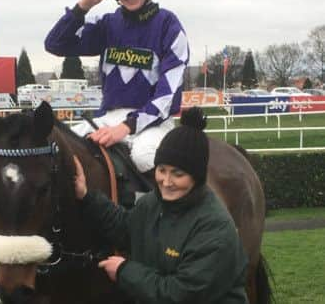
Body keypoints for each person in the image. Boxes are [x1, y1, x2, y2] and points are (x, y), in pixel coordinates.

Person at [73, 107, 249, 304]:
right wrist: (86, 195)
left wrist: (124, 271)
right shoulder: (153, 203)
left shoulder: (214, 227)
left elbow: (181, 294)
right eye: (162, 170)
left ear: (197, 177)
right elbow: (125, 227)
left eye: (178, 174)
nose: (166, 182)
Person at [45, 0, 189, 173]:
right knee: (58, 151)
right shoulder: (107, 24)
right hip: (107, 118)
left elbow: (167, 96)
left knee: (144, 157)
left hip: (154, 123)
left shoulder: (168, 25)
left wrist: (126, 127)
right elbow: (55, 43)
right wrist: (84, 5)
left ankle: (160, 211)